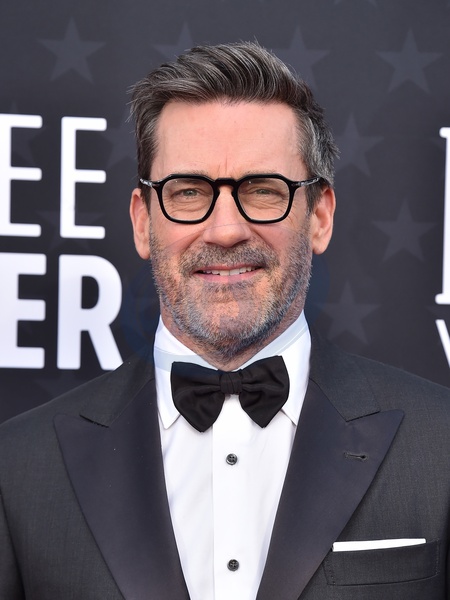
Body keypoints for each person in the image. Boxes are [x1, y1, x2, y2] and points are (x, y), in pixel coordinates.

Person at [0, 41, 449, 600]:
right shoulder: (18, 467)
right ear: (143, 222)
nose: (226, 230)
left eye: (263, 191)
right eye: (189, 192)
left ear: (320, 216)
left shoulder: (440, 444)